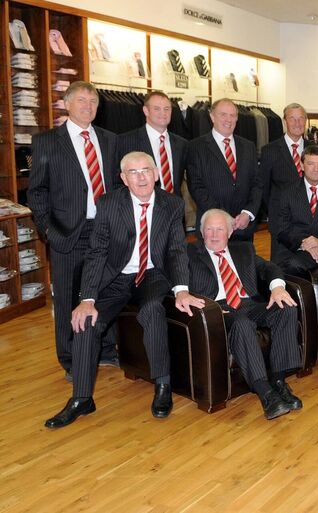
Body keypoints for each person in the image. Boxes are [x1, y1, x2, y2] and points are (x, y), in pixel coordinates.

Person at [44, 151, 205, 429]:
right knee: (86, 321)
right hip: (116, 277)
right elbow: (97, 252)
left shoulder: (172, 204)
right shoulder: (108, 204)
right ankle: (82, 398)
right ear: (123, 178)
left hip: (153, 275)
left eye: (146, 170)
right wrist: (88, 298)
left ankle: (162, 385)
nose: (141, 177)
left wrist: (181, 289)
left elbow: (177, 250)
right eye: (133, 172)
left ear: (156, 174)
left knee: (152, 309)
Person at [29, 80, 119, 380]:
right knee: (68, 296)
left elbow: (117, 186)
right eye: (81, 100)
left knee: (102, 291)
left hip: (104, 229)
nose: (88, 106)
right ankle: (70, 359)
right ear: (66, 104)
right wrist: (48, 231)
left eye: (93, 101)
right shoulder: (47, 141)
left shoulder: (109, 139)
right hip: (67, 233)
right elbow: (37, 192)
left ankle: (105, 350)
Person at [187, 209, 304, 420]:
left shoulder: (244, 250)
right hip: (219, 309)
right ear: (201, 233)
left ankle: (279, 381)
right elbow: (178, 285)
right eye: (209, 230)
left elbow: (269, 268)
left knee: (286, 307)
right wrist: (204, 306)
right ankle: (266, 393)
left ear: (230, 232)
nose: (214, 235)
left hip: (249, 304)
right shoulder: (189, 255)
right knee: (241, 323)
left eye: (220, 229)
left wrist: (277, 287)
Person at [186, 98, 262, 240]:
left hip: (243, 227)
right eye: (223, 114)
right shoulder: (196, 147)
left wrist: (248, 213)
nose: (228, 119)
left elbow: (257, 184)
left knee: (244, 262)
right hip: (212, 229)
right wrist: (223, 217)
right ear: (212, 116)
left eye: (232, 115)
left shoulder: (248, 146)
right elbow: (196, 187)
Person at [271, 144, 318, 278]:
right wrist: (305, 243)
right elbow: (282, 230)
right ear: (301, 165)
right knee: (291, 266)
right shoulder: (287, 192)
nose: (316, 169)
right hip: (295, 248)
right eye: (311, 163)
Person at [117, 91, 187, 196]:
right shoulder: (125, 141)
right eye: (157, 109)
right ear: (146, 111)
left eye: (167, 109)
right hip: (140, 208)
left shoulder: (182, 144)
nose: (163, 113)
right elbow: (118, 180)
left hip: (175, 207)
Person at [260, 103, 309, 217]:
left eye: (301, 118)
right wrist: (273, 210)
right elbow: (264, 187)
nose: (297, 123)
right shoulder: (269, 150)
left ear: (305, 121)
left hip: (310, 218)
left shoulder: (314, 150)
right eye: (292, 119)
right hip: (280, 217)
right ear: (284, 121)